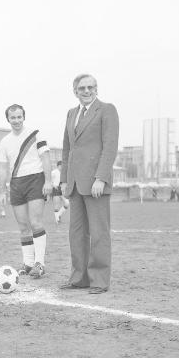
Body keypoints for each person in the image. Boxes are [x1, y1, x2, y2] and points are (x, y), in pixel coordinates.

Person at [59, 74, 119, 295]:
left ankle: (99, 281)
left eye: (91, 87)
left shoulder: (107, 110)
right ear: (75, 91)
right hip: (75, 184)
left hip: (96, 184)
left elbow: (110, 146)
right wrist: (64, 179)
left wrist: (101, 178)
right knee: (76, 233)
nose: (87, 91)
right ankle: (79, 278)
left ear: (96, 89)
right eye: (82, 88)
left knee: (99, 233)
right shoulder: (71, 114)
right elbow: (67, 150)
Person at [0, 104, 53, 278]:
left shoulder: (35, 134)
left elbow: (45, 158)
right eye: (13, 118)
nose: (16, 120)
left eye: (19, 117)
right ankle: (28, 263)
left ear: (24, 117)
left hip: (36, 179)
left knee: (35, 222)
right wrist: (2, 191)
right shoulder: (4, 142)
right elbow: (2, 168)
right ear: (8, 119)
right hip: (16, 183)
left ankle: (40, 263)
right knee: (23, 226)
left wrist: (49, 181)